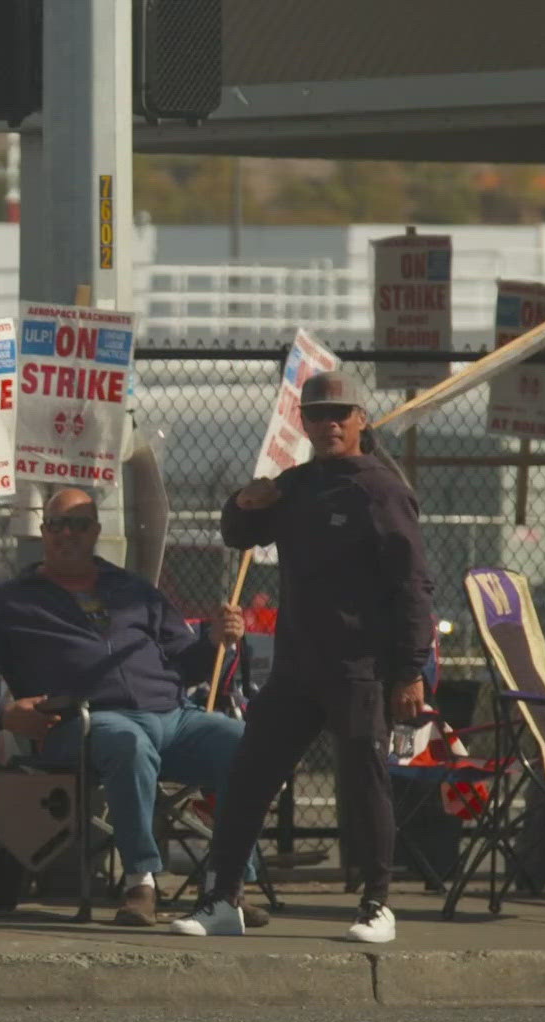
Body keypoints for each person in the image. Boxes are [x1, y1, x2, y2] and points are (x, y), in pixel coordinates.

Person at [172, 371, 433, 944]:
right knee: (247, 777)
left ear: (362, 419)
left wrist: (410, 670)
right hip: (296, 668)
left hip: (359, 667)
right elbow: (238, 534)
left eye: (341, 412)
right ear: (304, 423)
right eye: (317, 414)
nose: (329, 423)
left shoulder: (382, 490)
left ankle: (376, 904)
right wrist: (244, 500)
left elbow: (413, 585)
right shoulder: (297, 484)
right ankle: (221, 900)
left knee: (364, 782)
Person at [0, 487, 266, 928]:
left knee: (245, 743)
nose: (68, 535)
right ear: (43, 533)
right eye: (57, 525)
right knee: (126, 743)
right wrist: (3, 713)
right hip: (79, 724)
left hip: (172, 716)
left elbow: (188, 663)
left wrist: (215, 642)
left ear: (96, 531)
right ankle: (140, 882)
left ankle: (224, 885)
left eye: (79, 525)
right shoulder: (9, 600)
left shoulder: (134, 589)